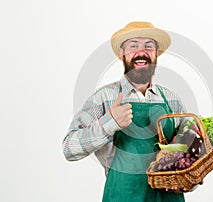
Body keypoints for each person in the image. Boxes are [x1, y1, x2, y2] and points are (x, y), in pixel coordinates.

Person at [63, 21, 187, 202]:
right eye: (133, 46)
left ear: (156, 54)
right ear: (122, 54)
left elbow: (191, 150)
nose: (141, 52)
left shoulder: (171, 99)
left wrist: (189, 177)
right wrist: (109, 123)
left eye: (148, 46)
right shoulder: (104, 97)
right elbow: (69, 149)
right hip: (122, 195)